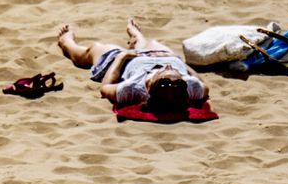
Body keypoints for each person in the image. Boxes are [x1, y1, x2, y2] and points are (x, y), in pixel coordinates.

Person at [57, 19, 209, 113]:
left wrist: (121, 58)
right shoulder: (189, 87)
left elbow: (105, 88)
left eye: (165, 70)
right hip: (159, 53)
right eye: (175, 71)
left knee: (95, 48)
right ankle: (137, 39)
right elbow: (203, 84)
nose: (168, 66)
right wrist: (178, 62)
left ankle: (66, 42)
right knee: (153, 43)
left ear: (149, 84)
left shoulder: (133, 89)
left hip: (125, 63)